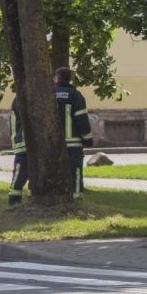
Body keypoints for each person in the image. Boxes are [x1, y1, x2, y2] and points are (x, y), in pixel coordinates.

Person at [54, 67, 94, 197]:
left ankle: (57, 196)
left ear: (57, 79)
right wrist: (88, 139)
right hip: (73, 144)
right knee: (75, 172)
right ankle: (76, 197)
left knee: (54, 171)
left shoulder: (48, 95)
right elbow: (81, 119)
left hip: (52, 143)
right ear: (69, 79)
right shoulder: (76, 95)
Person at [7, 96, 27, 206]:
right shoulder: (21, 98)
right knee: (20, 173)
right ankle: (14, 199)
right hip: (22, 142)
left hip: (26, 142)